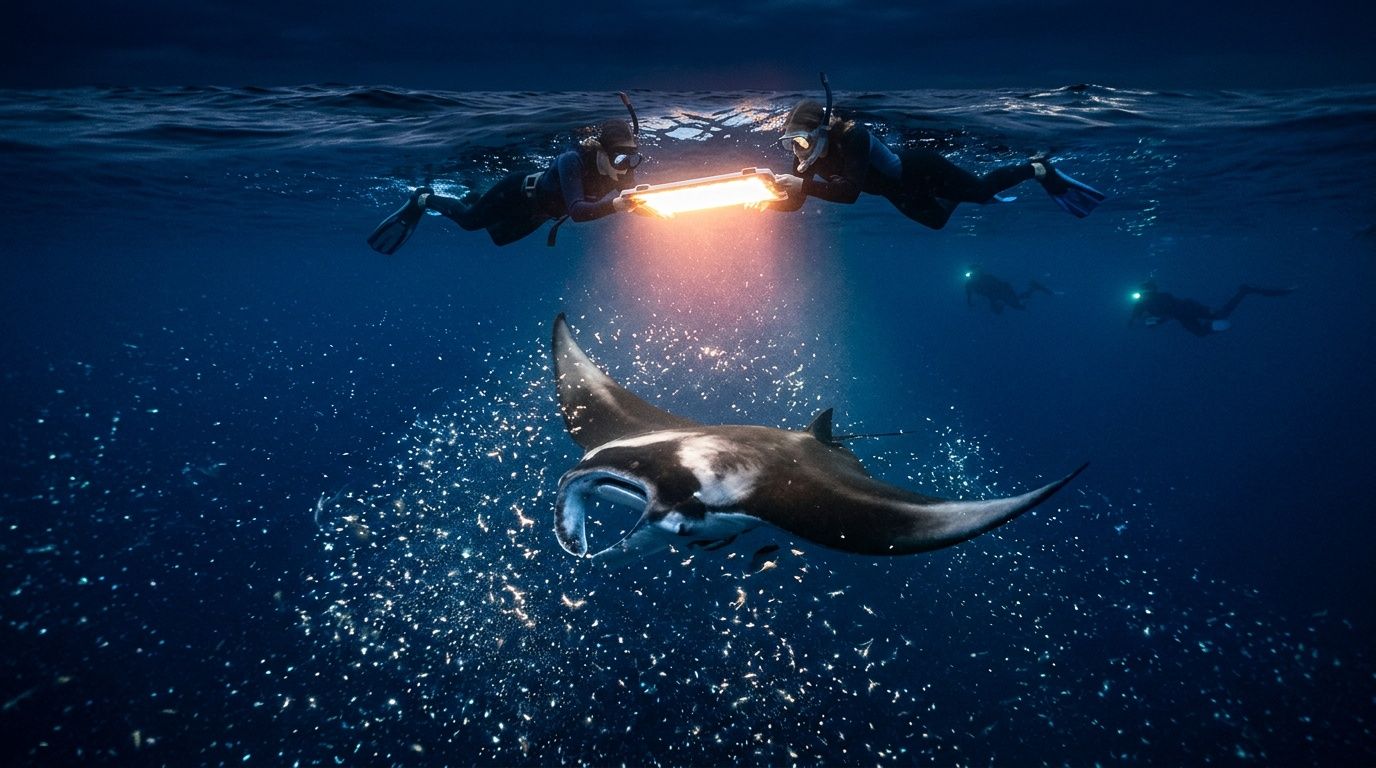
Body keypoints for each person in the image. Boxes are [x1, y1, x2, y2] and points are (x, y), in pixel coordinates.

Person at [767, 78, 1106, 228]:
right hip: (895, 191)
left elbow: (849, 193)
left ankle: (1038, 167)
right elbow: (796, 200)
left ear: (821, 130)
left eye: (801, 141)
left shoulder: (853, 136)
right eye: (790, 144)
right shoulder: (806, 154)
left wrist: (800, 186)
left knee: (983, 191)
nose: (797, 151)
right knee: (936, 222)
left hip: (919, 171)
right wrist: (769, 200)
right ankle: (960, 193)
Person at [367, 99, 646, 253]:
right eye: (620, 159)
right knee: (469, 221)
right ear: (600, 151)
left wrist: (650, 206)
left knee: (499, 239)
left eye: (633, 160)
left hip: (540, 213)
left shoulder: (621, 170)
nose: (626, 168)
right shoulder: (571, 160)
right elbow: (577, 211)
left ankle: (475, 196)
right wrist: (616, 205)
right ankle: (423, 199)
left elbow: (633, 200)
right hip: (517, 193)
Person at [1129, 280, 1296, 337]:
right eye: (1142, 293)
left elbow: (1171, 311)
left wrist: (1158, 321)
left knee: (1221, 314)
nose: (1143, 295)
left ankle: (1245, 290)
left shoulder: (1162, 297)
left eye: (1146, 292)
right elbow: (1135, 319)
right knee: (1201, 333)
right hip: (1182, 316)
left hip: (1188, 309)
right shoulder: (1141, 305)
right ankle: (1215, 325)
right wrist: (1142, 322)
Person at [965, 265, 1053, 313]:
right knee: (1018, 305)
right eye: (972, 273)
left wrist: (1005, 298)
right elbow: (969, 294)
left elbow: (1001, 286)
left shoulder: (987, 278)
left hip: (1003, 291)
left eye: (976, 272)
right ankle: (1033, 288)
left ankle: (1033, 287)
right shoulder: (969, 284)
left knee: (1018, 305)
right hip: (997, 294)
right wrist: (970, 302)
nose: (974, 275)